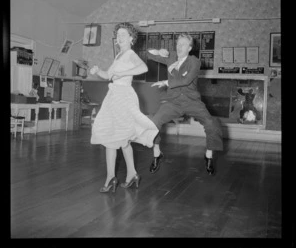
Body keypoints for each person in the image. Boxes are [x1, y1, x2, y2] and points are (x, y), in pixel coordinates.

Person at [89, 22, 159, 193]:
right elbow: (108, 76)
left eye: (123, 34)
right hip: (114, 96)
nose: (119, 37)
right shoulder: (119, 55)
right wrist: (98, 70)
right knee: (121, 138)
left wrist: (124, 73)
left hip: (124, 97)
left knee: (112, 138)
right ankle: (132, 174)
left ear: (131, 38)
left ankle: (111, 178)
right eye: (118, 35)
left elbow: (143, 67)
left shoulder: (130, 54)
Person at [147, 34, 223, 175]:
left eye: (183, 44)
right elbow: (148, 54)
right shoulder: (171, 58)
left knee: (211, 123)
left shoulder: (194, 61)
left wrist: (165, 82)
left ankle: (209, 156)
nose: (179, 46)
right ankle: (157, 154)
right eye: (178, 44)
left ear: (189, 48)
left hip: (191, 101)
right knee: (153, 121)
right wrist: (158, 52)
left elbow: (187, 80)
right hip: (173, 102)